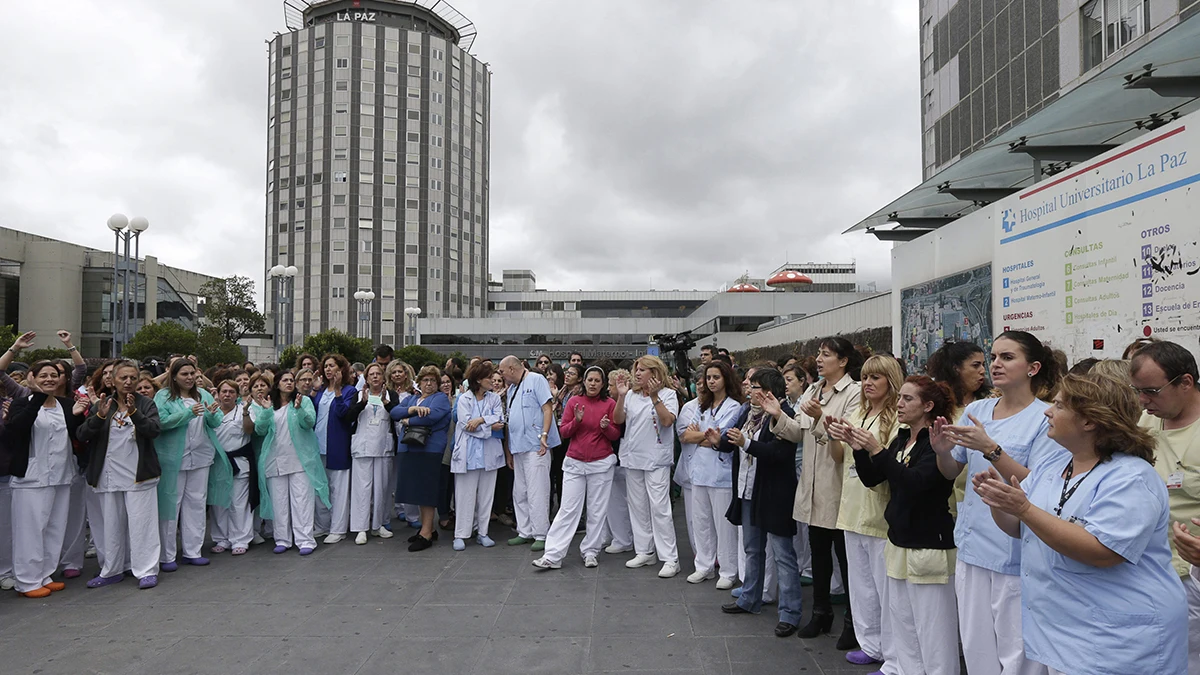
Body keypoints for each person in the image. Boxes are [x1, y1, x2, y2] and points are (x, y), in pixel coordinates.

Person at [976, 370, 1188, 675]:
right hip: (1069, 631)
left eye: (1060, 406)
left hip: (1121, 640)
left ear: (1089, 421)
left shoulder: (1131, 477)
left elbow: (1102, 552)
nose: (1048, 410)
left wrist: (1023, 508)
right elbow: (1019, 528)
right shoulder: (1054, 463)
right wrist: (1000, 502)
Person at [932, 330, 1065, 675]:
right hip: (974, 545)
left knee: (1018, 652)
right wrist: (942, 452)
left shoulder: (1045, 416)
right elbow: (950, 472)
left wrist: (990, 449)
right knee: (977, 650)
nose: (995, 365)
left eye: (1007, 357)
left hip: (1017, 553)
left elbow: (1040, 483)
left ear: (1033, 368)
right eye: (993, 357)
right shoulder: (978, 409)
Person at [838, 376, 959, 675]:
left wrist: (877, 450)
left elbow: (914, 484)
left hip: (929, 541)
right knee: (903, 620)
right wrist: (859, 448)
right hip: (900, 539)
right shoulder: (903, 438)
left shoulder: (938, 443)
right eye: (900, 398)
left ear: (928, 406)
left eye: (907, 399)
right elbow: (873, 478)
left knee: (932, 627)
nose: (899, 404)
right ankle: (904, 669)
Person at [770, 337, 863, 643]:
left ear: (843, 361)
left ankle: (853, 621)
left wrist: (821, 417)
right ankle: (821, 613)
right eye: (819, 354)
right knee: (818, 554)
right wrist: (777, 414)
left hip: (837, 483)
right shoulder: (813, 389)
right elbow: (797, 431)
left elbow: (846, 435)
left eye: (826, 355)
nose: (819, 359)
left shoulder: (853, 392)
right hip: (812, 484)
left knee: (845, 559)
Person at [1129, 340, 1200, 673]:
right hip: (1153, 569)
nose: (1144, 401)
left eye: (1152, 391)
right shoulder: (1148, 419)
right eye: (1138, 391)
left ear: (1185, 382)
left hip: (1192, 572)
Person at [718, 367, 803, 637]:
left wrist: (746, 444)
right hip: (747, 489)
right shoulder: (748, 413)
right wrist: (718, 441)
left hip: (775, 494)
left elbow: (779, 453)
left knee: (783, 555)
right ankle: (749, 599)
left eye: (753, 386)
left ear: (767, 391)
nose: (748, 389)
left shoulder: (784, 415)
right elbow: (732, 440)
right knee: (752, 549)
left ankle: (790, 612)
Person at [831, 355, 904, 670]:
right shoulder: (858, 411)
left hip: (879, 510)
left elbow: (890, 464)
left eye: (876, 377)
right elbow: (840, 457)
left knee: (883, 587)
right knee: (860, 585)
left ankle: (891, 651)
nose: (869, 383)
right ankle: (870, 643)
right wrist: (836, 435)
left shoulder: (897, 418)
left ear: (891, 380)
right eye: (866, 377)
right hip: (852, 507)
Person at [4, 361, 88, 597]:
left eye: (54, 375)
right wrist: (39, 397)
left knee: (54, 528)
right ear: (32, 378)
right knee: (30, 530)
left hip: (61, 475)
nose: (50, 379)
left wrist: (81, 417)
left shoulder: (66, 405)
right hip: (31, 478)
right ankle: (27, 581)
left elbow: (76, 437)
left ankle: (45, 574)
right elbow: (16, 430)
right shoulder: (21, 404)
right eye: (43, 375)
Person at [77, 360, 163, 589]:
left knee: (142, 523)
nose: (128, 382)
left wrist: (134, 413)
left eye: (133, 378)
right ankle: (112, 569)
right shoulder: (103, 404)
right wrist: (100, 417)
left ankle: (146, 570)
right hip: (109, 474)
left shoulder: (146, 404)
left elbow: (154, 430)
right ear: (112, 380)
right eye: (123, 378)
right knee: (111, 525)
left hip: (139, 474)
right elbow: (82, 433)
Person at [534, 366, 621, 569]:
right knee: (567, 509)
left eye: (597, 381)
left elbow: (615, 435)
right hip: (575, 462)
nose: (592, 384)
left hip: (601, 463)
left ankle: (591, 551)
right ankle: (553, 555)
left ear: (602, 384)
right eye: (590, 380)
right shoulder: (574, 402)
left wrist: (606, 427)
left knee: (597, 510)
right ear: (584, 382)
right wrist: (577, 421)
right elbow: (564, 431)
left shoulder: (609, 404)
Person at [153, 358, 234, 571]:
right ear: (174, 376)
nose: (190, 378)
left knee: (197, 504)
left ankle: (193, 551)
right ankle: (167, 555)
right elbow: (161, 422)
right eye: (184, 374)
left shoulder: (204, 394)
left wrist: (213, 414)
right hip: (174, 459)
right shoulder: (163, 396)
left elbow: (213, 423)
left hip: (200, 457)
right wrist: (188, 413)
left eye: (192, 373)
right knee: (172, 504)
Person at [613, 355, 681, 578]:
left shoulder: (668, 395)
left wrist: (654, 397)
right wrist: (621, 397)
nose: (638, 373)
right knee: (638, 506)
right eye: (636, 370)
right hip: (633, 458)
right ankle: (644, 551)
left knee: (660, 509)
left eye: (643, 370)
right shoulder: (631, 395)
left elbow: (667, 421)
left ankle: (670, 558)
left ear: (655, 372)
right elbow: (618, 419)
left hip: (656, 460)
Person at [680, 361, 744, 588]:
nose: (711, 381)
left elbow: (721, 437)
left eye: (716, 377)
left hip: (721, 474)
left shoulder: (734, 407)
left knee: (723, 525)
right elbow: (686, 437)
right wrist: (703, 436)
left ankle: (728, 571)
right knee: (701, 522)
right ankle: (704, 566)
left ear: (726, 378)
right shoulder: (702, 406)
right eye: (708, 378)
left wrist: (702, 436)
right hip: (699, 472)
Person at [253, 370, 330, 554]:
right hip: (275, 460)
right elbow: (260, 430)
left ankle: (305, 540)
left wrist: (299, 409)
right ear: (277, 383)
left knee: (301, 501)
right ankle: (282, 539)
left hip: (300, 461)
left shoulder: (304, 401)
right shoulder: (269, 405)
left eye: (291, 380)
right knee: (279, 503)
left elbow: (309, 422)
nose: (288, 383)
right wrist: (264, 411)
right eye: (284, 380)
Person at [497, 356, 561, 552]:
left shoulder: (536, 379)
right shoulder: (513, 388)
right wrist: (508, 451)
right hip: (518, 447)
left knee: (537, 491)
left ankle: (541, 533)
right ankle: (525, 531)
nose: (501, 375)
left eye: (502, 371)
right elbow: (510, 422)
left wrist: (544, 434)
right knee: (520, 492)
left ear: (511, 368)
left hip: (536, 446)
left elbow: (547, 408)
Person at [392, 365, 452, 551]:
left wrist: (408, 420)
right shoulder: (412, 398)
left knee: (426, 490)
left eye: (433, 380)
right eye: (425, 380)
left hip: (429, 450)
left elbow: (431, 418)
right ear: (419, 383)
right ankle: (428, 529)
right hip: (409, 448)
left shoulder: (440, 398)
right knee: (417, 490)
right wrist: (412, 410)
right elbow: (394, 412)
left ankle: (426, 532)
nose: (429, 384)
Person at [926, 340, 991, 509]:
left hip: (979, 498)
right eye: (975, 365)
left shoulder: (989, 404)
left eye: (983, 365)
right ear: (956, 369)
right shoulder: (938, 407)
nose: (983, 371)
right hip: (943, 500)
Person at [450, 361, 505, 551]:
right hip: (468, 453)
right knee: (465, 495)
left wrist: (481, 420)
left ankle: (483, 532)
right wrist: (489, 426)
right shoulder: (464, 399)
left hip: (489, 453)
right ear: (479, 379)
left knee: (486, 495)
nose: (493, 381)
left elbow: (500, 419)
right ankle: (461, 534)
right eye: (489, 378)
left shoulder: (495, 399)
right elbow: (466, 425)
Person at [345, 363, 399, 544]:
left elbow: (397, 415)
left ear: (384, 377)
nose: (375, 377)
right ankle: (361, 528)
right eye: (371, 374)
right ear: (366, 379)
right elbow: (349, 417)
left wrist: (387, 403)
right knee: (362, 489)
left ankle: (378, 525)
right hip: (363, 447)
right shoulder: (358, 394)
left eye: (378, 374)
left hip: (383, 446)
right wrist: (362, 403)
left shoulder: (391, 395)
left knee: (382, 488)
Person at [208, 378, 256, 556]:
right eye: (224, 391)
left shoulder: (244, 410)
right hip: (218, 463)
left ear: (236, 395)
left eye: (231, 392)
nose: (227, 395)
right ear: (218, 394)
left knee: (238, 503)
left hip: (239, 462)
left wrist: (245, 412)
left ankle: (240, 539)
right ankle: (222, 538)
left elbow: (250, 430)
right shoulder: (212, 412)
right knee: (219, 503)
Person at [312, 354, 356, 544]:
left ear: (341, 369)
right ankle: (322, 525)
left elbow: (343, 414)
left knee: (338, 489)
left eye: (332, 366)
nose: (328, 369)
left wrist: (337, 391)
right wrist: (313, 391)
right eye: (326, 366)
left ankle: (338, 528)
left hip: (337, 445)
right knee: (320, 489)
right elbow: (311, 412)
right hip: (317, 445)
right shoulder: (320, 391)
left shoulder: (349, 391)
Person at [602, 368, 635, 554]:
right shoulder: (617, 402)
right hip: (618, 457)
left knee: (618, 501)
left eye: (610, 385)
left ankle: (623, 539)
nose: (608, 388)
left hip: (621, 457)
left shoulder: (623, 403)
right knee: (612, 500)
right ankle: (613, 535)